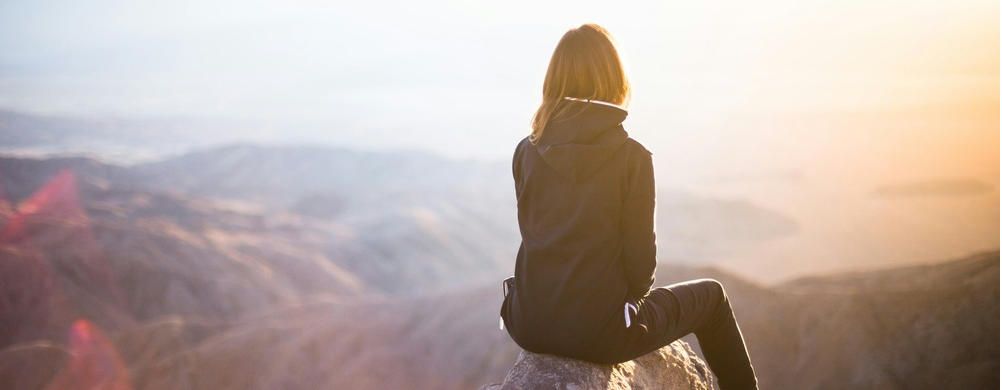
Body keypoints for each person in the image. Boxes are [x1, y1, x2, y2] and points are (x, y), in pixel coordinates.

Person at [499, 23, 759, 390]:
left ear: (553, 80)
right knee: (713, 297)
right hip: (602, 336)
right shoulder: (631, 158)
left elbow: (539, 236)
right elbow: (641, 271)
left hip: (527, 324)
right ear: (614, 78)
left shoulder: (526, 150)